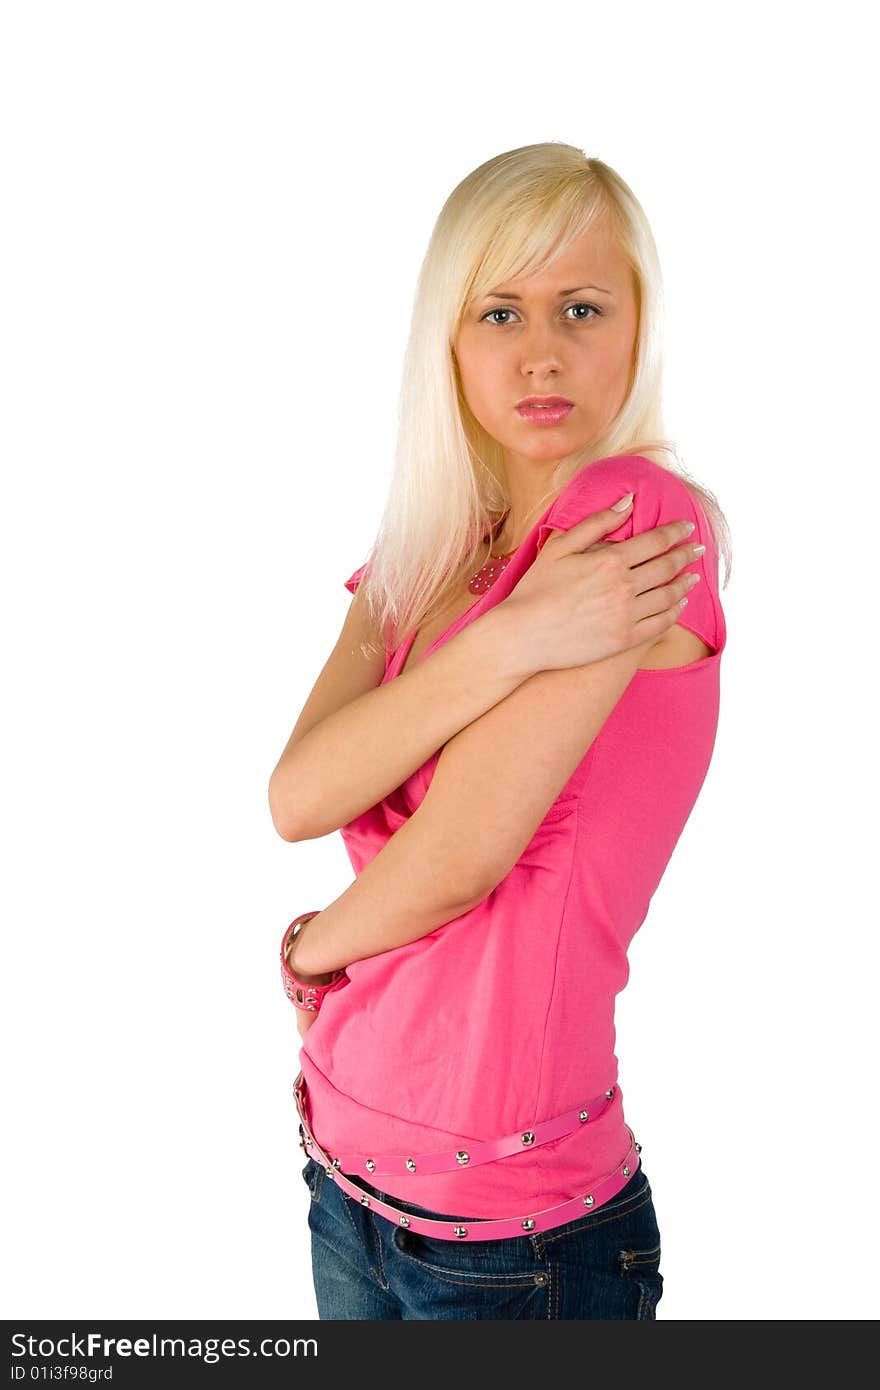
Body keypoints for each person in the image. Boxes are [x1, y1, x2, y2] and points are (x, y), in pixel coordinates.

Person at [269, 142, 731, 1320]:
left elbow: (459, 858)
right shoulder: (434, 546)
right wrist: (512, 634)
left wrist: (315, 953)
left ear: (637, 325)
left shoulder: (633, 522)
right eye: (500, 310)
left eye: (583, 307)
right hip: (344, 1181)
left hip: (516, 1238)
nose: (542, 351)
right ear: (451, 337)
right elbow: (297, 797)